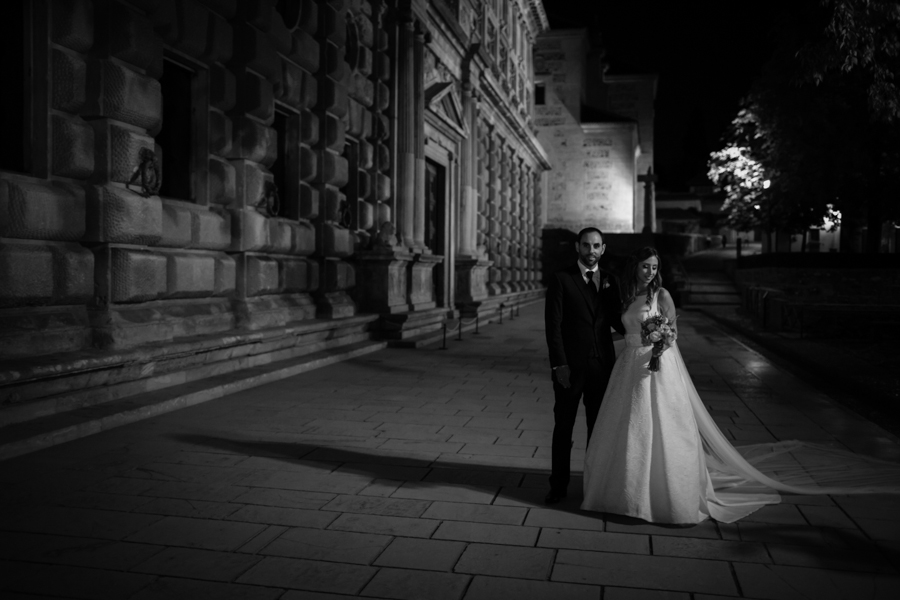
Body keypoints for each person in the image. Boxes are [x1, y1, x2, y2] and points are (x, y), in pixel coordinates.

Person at [582, 247, 900, 524]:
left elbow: (674, 331)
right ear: (635, 267)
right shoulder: (624, 294)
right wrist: (593, 341)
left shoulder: (661, 296)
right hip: (627, 366)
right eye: (645, 266)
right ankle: (624, 489)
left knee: (660, 426)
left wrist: (662, 342)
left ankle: (664, 491)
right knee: (626, 426)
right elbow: (625, 332)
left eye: (655, 266)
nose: (650, 272)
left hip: (656, 367)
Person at [544, 227, 625, 505]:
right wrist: (559, 365)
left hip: (602, 366)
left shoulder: (612, 281)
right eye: (586, 245)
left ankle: (593, 484)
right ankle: (558, 485)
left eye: (596, 246)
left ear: (603, 249)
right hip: (570, 368)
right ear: (578, 247)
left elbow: (618, 321)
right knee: (563, 427)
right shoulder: (561, 279)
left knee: (598, 428)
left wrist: (649, 327)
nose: (591, 251)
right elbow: (553, 327)